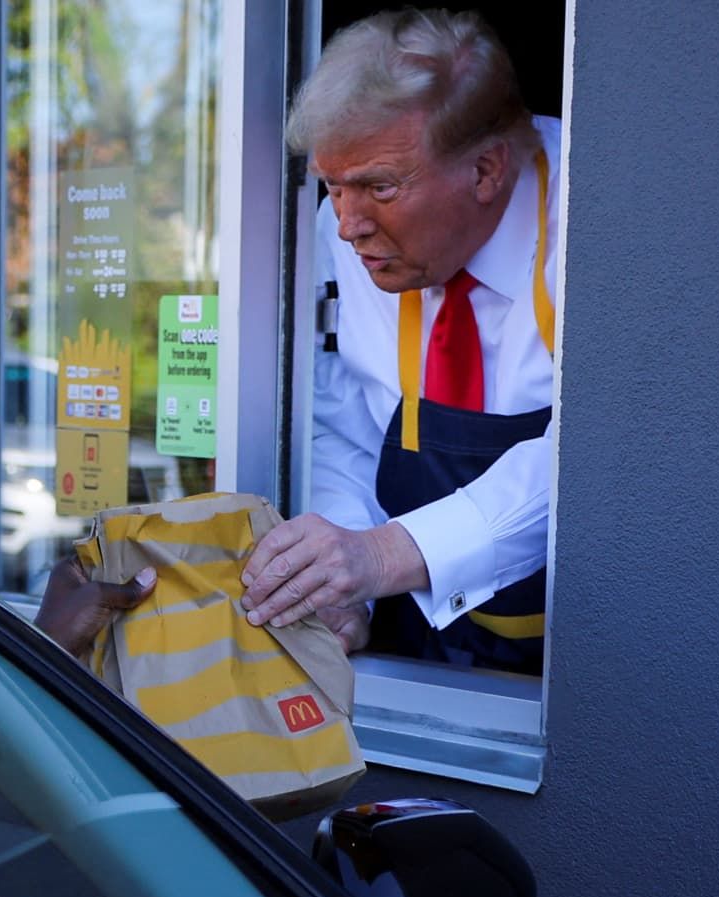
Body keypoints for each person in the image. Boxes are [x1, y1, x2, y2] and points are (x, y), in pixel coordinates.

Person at [239, 8, 561, 675]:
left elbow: (593, 467)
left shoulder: (596, 215)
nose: (348, 224)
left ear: (486, 171)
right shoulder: (344, 228)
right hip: (419, 649)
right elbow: (348, 422)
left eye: (379, 187)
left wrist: (380, 556)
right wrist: (339, 581)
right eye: (332, 185)